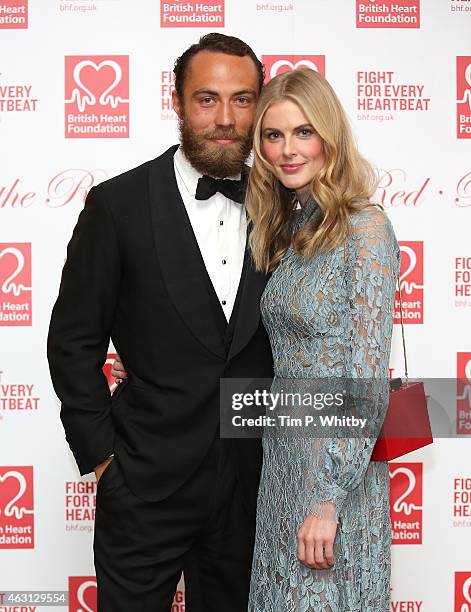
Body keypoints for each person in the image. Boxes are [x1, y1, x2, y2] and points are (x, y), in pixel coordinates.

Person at [47, 34, 273, 612]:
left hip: (253, 483)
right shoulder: (117, 205)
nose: (225, 119)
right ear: (177, 102)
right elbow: (73, 341)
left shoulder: (285, 206)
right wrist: (104, 459)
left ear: (260, 105)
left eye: (242, 99)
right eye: (207, 99)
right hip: (144, 480)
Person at [243, 68, 400, 611]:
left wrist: (329, 498)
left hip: (334, 475)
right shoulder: (289, 230)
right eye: (274, 135)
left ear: (330, 137)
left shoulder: (366, 229)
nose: (288, 150)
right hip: (281, 461)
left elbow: (365, 376)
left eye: (303, 132)